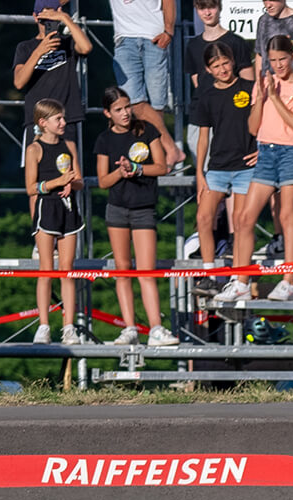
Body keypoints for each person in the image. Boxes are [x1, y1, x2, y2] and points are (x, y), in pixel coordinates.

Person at [219, 35, 293, 303]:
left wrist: (276, 96)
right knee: (245, 218)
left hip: (292, 151)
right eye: (273, 61)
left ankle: (288, 280)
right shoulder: (263, 84)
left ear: (292, 57)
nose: (278, 65)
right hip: (266, 151)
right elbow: (252, 127)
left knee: (287, 216)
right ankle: (241, 281)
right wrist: (263, 95)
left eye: (282, 59)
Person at [93, 86, 179, 346]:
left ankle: (155, 328)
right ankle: (129, 327)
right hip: (117, 209)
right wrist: (120, 172)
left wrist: (137, 169)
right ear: (108, 113)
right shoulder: (104, 140)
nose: (125, 113)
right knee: (123, 270)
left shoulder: (146, 130)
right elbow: (102, 181)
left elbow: (162, 166)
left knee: (146, 271)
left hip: (143, 208)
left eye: (127, 106)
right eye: (118, 109)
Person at [193, 40, 258, 286]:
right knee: (203, 217)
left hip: (245, 167)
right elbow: (202, 138)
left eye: (225, 63)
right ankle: (209, 272)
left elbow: (265, 122)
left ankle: (239, 277)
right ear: (208, 70)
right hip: (217, 168)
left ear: (233, 62)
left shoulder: (250, 88)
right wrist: (200, 173)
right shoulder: (206, 97)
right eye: (216, 66)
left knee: (242, 222)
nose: (222, 69)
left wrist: (261, 150)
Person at [24, 98, 86, 344]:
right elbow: (30, 187)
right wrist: (55, 183)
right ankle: (44, 326)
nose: (63, 122)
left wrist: (72, 183)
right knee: (46, 269)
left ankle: (69, 326)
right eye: (58, 118)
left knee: (67, 270)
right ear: (43, 123)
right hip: (46, 209)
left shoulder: (69, 144)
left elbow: (80, 179)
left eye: (63, 117)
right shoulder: (34, 149)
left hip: (68, 210)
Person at [184, 0, 254, 171]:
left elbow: (249, 85)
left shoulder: (236, 42)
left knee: (233, 168)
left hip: (232, 116)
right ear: (196, 10)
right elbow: (197, 81)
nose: (207, 13)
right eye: (202, 8)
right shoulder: (192, 45)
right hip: (203, 114)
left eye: (211, 7)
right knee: (206, 168)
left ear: (219, 8)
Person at [108, 0, 179, 167]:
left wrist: (169, 31)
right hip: (125, 39)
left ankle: (160, 158)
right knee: (133, 102)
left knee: (157, 104)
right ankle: (171, 150)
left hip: (154, 36)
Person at [13, 0, 93, 149]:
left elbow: (86, 47)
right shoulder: (25, 47)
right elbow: (19, 82)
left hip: (65, 118)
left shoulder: (67, 43)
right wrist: (39, 51)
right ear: (35, 17)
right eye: (44, 20)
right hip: (38, 119)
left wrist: (65, 19)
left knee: (69, 167)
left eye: (53, 20)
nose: (49, 25)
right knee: (37, 167)